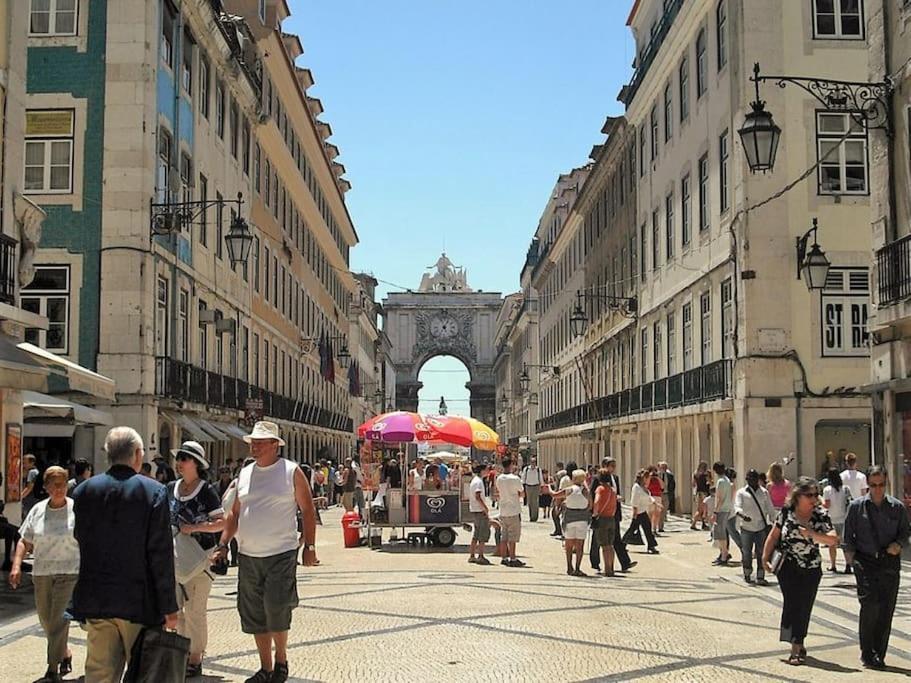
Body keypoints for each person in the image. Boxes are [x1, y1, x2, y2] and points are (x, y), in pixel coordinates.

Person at [70, 427, 178, 682]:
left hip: (96, 597)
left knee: (99, 673)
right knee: (143, 672)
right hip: (137, 600)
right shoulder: (153, 491)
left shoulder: (84, 492)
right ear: (138, 455)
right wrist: (169, 606)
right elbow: (160, 553)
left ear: (107, 453)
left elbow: (80, 539)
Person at [214, 421, 317, 683]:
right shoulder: (245, 473)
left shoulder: (290, 471)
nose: (254, 447)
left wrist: (310, 546)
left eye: (260, 442)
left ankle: (281, 660)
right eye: (253, 442)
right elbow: (235, 513)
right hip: (248, 555)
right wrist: (223, 544)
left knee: (277, 607)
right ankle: (265, 668)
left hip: (281, 552)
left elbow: (307, 510)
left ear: (275, 445)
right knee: (253, 613)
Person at [9, 466, 79, 683]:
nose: (58, 489)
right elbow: (24, 540)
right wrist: (16, 565)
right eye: (54, 485)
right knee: (46, 620)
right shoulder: (38, 510)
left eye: (62, 484)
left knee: (58, 619)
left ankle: (52, 669)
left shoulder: (77, 509)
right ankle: (64, 652)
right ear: (46, 487)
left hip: (69, 571)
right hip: (42, 572)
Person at [761, 477, 837, 666]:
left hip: (811, 568)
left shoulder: (820, 514)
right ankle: (796, 644)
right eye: (809, 494)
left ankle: (797, 643)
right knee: (793, 602)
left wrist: (811, 534)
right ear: (798, 495)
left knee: (804, 605)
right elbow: (774, 534)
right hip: (787, 566)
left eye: (815, 494)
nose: (814, 498)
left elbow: (833, 540)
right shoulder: (787, 511)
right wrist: (764, 557)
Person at [843, 465, 910, 670]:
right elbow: (848, 537)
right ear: (868, 485)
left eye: (881, 485)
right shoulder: (857, 507)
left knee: (886, 608)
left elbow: (904, 533)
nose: (878, 489)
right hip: (866, 562)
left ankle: (878, 653)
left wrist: (898, 545)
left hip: (889, 562)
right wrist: (851, 560)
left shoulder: (897, 507)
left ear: (886, 483)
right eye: (873, 485)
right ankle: (867, 651)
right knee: (870, 604)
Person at [167, 441, 225, 678]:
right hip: (173, 558)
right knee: (177, 611)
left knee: (195, 611)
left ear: (197, 464)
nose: (179, 462)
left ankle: (195, 656)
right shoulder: (170, 487)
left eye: (185, 458)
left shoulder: (207, 491)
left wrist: (194, 527)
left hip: (201, 560)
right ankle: (183, 651)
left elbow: (222, 523)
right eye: (179, 457)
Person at [546, 469, 590, 576]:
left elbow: (555, 495)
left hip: (570, 518)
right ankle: (578, 568)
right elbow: (590, 505)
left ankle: (569, 567)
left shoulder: (569, 490)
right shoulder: (586, 492)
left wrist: (549, 488)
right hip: (583, 519)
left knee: (569, 545)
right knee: (580, 546)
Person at [734, 469, 774, 585]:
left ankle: (760, 575)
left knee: (761, 552)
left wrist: (774, 521)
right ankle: (747, 573)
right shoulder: (741, 493)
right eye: (749, 478)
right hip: (746, 527)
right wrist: (742, 515)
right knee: (746, 552)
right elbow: (737, 506)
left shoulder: (764, 492)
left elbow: (770, 509)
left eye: (754, 478)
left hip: (760, 527)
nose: (752, 481)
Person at [495, 457, 525, 567]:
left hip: (503, 509)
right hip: (513, 509)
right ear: (511, 465)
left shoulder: (499, 478)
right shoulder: (515, 478)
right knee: (513, 537)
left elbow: (498, 491)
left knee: (504, 536)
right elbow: (522, 493)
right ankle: (513, 558)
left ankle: (504, 557)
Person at [622, 469, 660, 554]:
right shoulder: (636, 487)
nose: (649, 480)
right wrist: (634, 512)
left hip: (643, 511)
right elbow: (634, 500)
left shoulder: (644, 488)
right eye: (647, 478)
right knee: (632, 529)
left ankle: (651, 545)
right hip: (638, 512)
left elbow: (648, 497)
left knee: (647, 528)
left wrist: (655, 503)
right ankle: (622, 544)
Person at [822, 467, 852, 574]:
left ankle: (833, 565)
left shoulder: (827, 490)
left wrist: (820, 502)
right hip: (844, 518)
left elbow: (827, 504)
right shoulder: (845, 489)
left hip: (832, 519)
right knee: (845, 544)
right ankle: (848, 564)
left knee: (832, 543)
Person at [592, 468, 619, 576]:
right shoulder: (613, 490)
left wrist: (595, 513)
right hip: (611, 518)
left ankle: (607, 569)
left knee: (604, 546)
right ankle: (611, 567)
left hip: (602, 518)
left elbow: (597, 501)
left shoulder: (600, 489)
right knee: (610, 545)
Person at [468, 463, 491, 565]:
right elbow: (478, 496)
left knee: (476, 534)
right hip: (479, 510)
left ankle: (472, 555)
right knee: (483, 534)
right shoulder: (478, 482)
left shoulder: (475, 480)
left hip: (474, 510)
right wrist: (485, 508)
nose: (488, 471)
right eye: (487, 470)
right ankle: (480, 556)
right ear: (482, 470)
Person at [712, 462, 733, 565]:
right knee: (721, 532)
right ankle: (723, 553)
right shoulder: (727, 480)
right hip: (727, 508)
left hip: (721, 510)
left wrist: (715, 511)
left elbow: (719, 498)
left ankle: (724, 554)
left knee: (720, 533)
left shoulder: (720, 481)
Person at [521, 456, 542, 522]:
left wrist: (541, 487)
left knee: (535, 502)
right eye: (532, 462)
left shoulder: (538, 470)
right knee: (529, 502)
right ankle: (531, 516)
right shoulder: (526, 469)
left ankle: (535, 517)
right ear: (530, 462)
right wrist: (522, 488)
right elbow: (523, 478)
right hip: (528, 486)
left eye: (534, 462)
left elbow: (540, 479)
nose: (533, 463)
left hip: (536, 486)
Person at [691, 461, 711, 530]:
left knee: (701, 509)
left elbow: (693, 484)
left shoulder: (695, 473)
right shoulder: (707, 473)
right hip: (704, 492)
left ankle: (703, 524)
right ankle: (693, 523)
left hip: (698, 492)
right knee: (701, 510)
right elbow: (710, 482)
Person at [20, 454, 40, 522]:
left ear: (32, 463)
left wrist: (20, 497)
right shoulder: (35, 471)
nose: (23, 464)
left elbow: (29, 488)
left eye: (25, 462)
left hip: (29, 499)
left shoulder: (32, 472)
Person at [657, 461, 676, 530]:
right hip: (657, 495)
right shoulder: (656, 476)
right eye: (662, 467)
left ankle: (660, 527)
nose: (664, 468)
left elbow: (673, 485)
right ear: (659, 467)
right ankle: (655, 526)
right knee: (658, 511)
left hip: (666, 494)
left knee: (664, 511)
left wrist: (671, 494)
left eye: (665, 467)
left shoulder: (670, 476)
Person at [646, 465, 664, 533]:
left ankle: (654, 529)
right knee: (650, 513)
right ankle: (649, 529)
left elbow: (662, 487)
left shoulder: (658, 479)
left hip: (658, 496)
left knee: (657, 514)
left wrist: (657, 477)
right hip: (650, 496)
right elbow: (646, 486)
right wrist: (649, 477)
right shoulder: (647, 478)